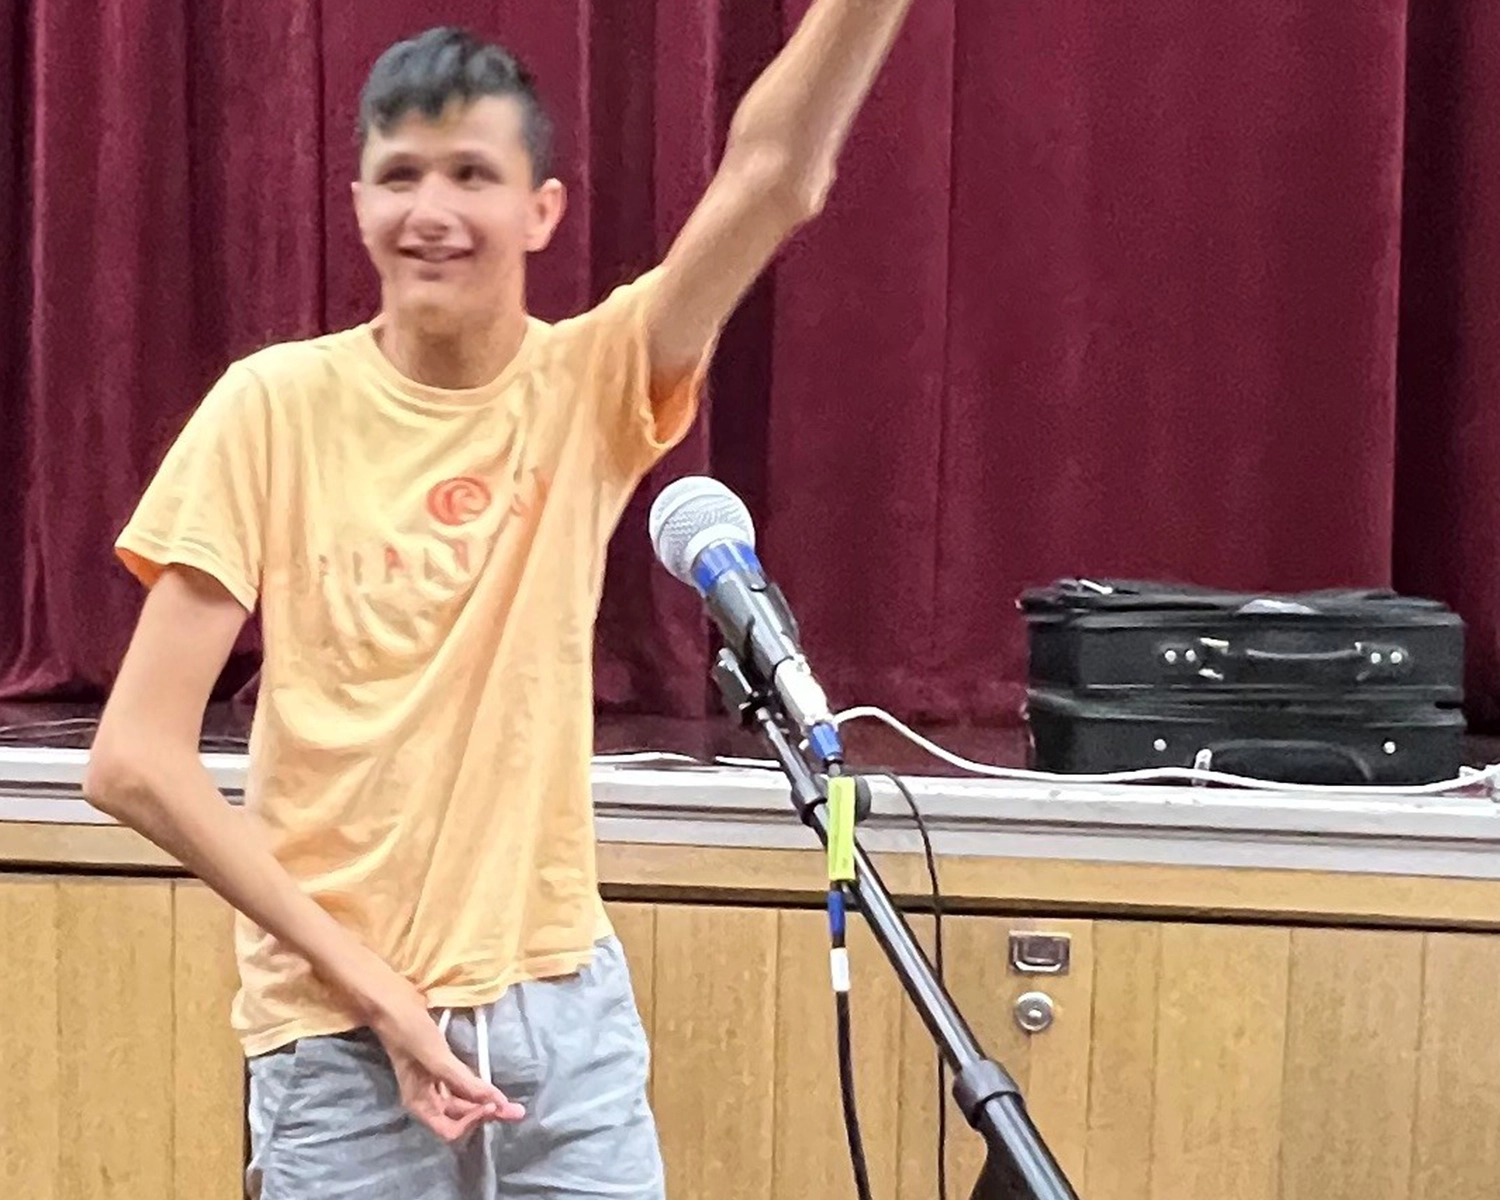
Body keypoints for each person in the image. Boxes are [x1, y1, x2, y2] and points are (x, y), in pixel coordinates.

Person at [84, 7, 915, 1199]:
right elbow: (134, 761)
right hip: (336, 1042)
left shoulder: (591, 385)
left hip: (562, 1027)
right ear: (359, 202)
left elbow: (777, 176)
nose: (432, 211)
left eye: (472, 174)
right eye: (399, 176)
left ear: (541, 210)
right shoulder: (270, 408)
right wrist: (375, 991)